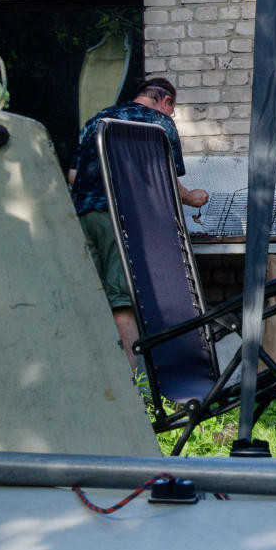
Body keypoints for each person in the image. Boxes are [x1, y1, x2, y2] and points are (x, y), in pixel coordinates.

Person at [69, 77, 209, 369]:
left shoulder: (96, 120)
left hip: (84, 215)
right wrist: (192, 198)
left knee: (92, 295)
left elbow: (73, 175)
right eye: (172, 110)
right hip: (120, 216)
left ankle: (96, 373)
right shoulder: (158, 124)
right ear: (166, 101)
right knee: (123, 298)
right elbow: (165, 177)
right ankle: (132, 380)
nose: (171, 115)